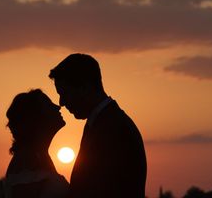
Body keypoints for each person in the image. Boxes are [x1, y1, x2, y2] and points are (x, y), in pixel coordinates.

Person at [49, 53, 147, 198]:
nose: (61, 102)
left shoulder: (114, 129)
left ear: (84, 86)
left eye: (64, 93)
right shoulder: (103, 123)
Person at [4, 89, 70, 198]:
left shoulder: (39, 155)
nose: (57, 106)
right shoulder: (26, 160)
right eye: (49, 105)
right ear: (36, 118)